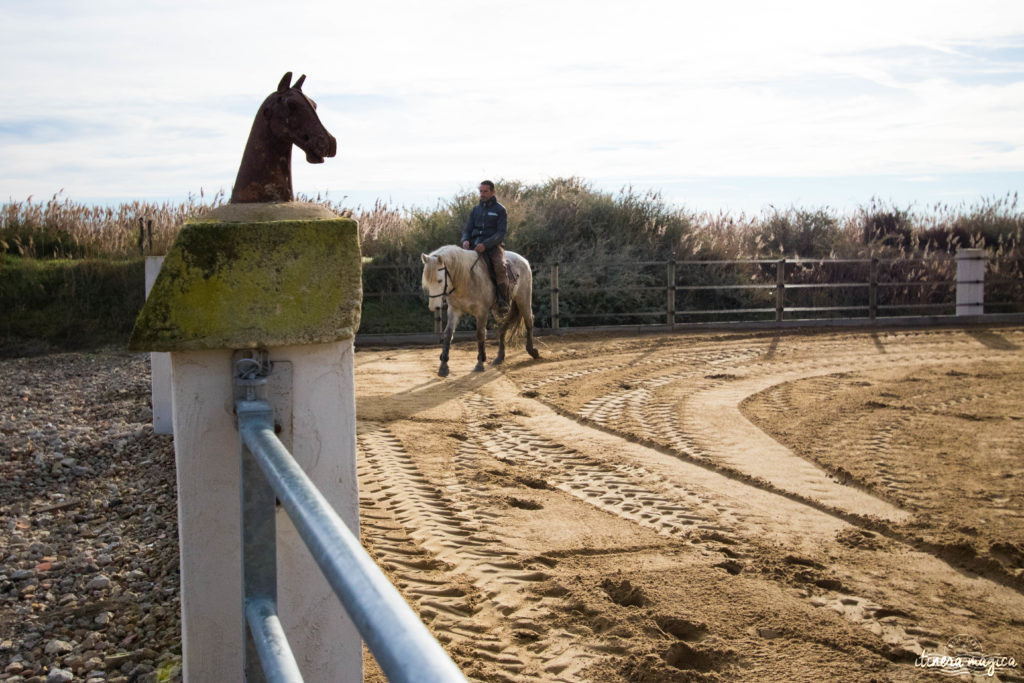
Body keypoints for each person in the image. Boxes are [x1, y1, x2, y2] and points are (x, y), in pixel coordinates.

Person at [461, 180, 510, 313]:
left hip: (493, 247)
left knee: (500, 266)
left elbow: (501, 233)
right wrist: (465, 240)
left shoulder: (500, 210)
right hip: (474, 246)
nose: (482, 194)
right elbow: (467, 230)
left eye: (485, 191)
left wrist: (486, 244)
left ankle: (503, 300)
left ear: (493, 192)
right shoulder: (476, 210)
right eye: (480, 191)